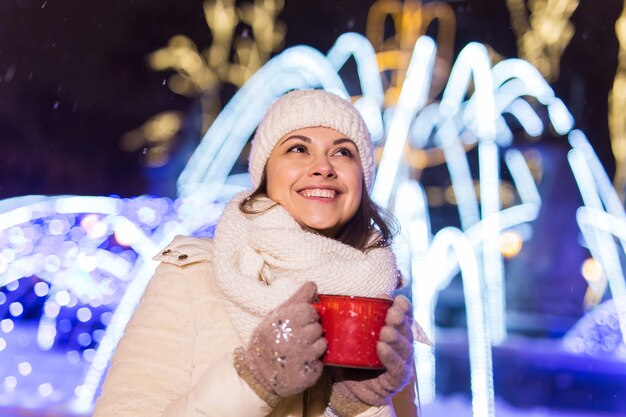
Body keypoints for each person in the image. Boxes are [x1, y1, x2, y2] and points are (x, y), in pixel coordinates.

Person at [93, 89, 429, 417]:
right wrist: (253, 379)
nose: (323, 167)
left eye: (342, 153)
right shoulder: (192, 278)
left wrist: (357, 405)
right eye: (298, 149)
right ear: (266, 174)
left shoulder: (381, 309)